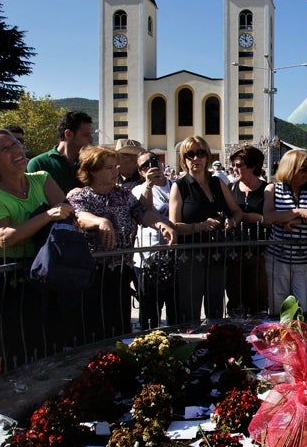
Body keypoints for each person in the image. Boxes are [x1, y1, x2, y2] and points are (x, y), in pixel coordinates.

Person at [0, 129, 76, 373]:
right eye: (5, 149)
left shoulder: (42, 178)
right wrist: (46, 216)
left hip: (52, 275)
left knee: (55, 345)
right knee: (18, 351)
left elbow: (67, 213)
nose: (16, 150)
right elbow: (4, 238)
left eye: (15, 143)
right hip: (15, 285)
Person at [68, 146, 173, 340]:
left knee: (120, 327)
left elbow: (141, 212)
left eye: (115, 166)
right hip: (92, 275)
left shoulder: (123, 194)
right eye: (108, 168)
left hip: (121, 272)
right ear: (92, 171)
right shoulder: (80, 195)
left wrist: (160, 224)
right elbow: (80, 216)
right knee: (93, 330)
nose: (115, 171)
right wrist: (100, 221)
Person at [168, 136, 243, 325]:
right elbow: (173, 225)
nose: (196, 158)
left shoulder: (217, 183)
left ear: (207, 157)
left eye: (200, 153)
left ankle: (216, 345)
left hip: (217, 253)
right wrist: (200, 226)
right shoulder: (180, 186)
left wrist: (231, 222)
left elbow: (236, 211)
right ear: (183, 159)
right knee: (190, 308)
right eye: (190, 154)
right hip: (190, 256)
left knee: (216, 306)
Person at [264, 149, 307, 315]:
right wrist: (298, 212)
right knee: (279, 308)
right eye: (303, 168)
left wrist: (297, 221)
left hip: (306, 259)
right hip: (278, 258)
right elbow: (268, 218)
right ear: (290, 169)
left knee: (304, 308)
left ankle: (301, 338)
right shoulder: (273, 189)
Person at [132, 150, 176, 329]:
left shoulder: (175, 185)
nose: (151, 167)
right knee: (150, 309)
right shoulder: (137, 189)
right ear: (141, 172)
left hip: (172, 254)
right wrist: (149, 185)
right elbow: (146, 212)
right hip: (147, 257)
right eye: (145, 165)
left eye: (154, 161)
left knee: (174, 306)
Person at [226, 145, 268, 316]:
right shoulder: (230, 189)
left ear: (252, 166)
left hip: (260, 253)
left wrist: (258, 218)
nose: (235, 169)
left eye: (239, 165)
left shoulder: (268, 190)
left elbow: (272, 216)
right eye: (234, 165)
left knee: (257, 298)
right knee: (235, 296)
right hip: (235, 253)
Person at [27, 110, 93, 195]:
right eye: (86, 135)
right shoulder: (39, 164)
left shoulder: (91, 163)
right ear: (68, 134)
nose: (91, 140)